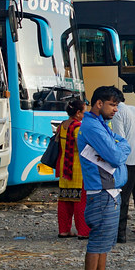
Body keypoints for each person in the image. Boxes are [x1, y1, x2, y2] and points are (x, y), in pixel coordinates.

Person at [75, 85, 131, 270]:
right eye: (113, 105)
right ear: (99, 103)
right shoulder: (93, 128)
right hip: (102, 192)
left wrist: (120, 148)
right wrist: (121, 149)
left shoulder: (100, 125)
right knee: (98, 241)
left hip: (108, 191)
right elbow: (117, 156)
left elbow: (122, 144)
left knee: (105, 241)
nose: (116, 109)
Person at [112, 99, 135, 243]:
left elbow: (119, 139)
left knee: (123, 199)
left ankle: (120, 234)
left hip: (127, 161)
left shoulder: (118, 113)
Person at [56, 99, 91, 239]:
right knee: (80, 202)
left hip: (64, 167)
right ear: (77, 113)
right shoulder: (77, 128)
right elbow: (81, 148)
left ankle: (64, 230)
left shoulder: (62, 126)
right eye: (84, 111)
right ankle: (83, 231)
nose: (86, 113)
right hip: (77, 169)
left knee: (65, 200)